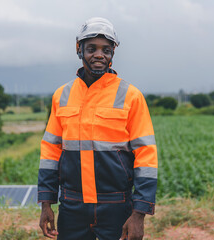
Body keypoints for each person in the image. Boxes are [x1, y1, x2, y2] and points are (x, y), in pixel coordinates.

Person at [38, 17, 158, 240]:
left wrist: (139, 213)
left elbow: (146, 156)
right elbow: (50, 152)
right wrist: (46, 203)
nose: (99, 55)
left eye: (106, 49)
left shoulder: (131, 96)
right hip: (72, 206)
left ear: (113, 52)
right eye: (91, 48)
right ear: (79, 49)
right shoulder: (61, 96)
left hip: (116, 206)